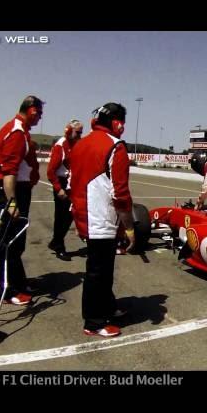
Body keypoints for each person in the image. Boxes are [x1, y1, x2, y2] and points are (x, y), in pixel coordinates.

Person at [69, 103, 134, 337]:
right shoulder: (115, 146)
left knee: (102, 270)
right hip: (101, 219)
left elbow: (71, 184)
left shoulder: (80, 144)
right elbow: (121, 194)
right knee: (98, 272)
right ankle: (94, 321)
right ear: (117, 123)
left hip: (84, 215)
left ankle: (107, 307)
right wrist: (129, 228)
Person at [0, 95, 43, 305]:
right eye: (39, 113)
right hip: (13, 192)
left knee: (17, 242)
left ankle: (18, 281)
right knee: (8, 243)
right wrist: (12, 203)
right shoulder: (16, 132)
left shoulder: (21, 131)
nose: (40, 117)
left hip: (19, 191)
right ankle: (7, 290)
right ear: (31, 110)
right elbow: (9, 173)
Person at [47, 119, 83, 260]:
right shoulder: (60, 145)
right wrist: (58, 189)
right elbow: (50, 171)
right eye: (78, 132)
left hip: (71, 183)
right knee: (62, 217)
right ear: (68, 130)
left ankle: (55, 242)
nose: (80, 135)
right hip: (61, 183)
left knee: (70, 215)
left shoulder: (76, 144)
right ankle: (59, 246)